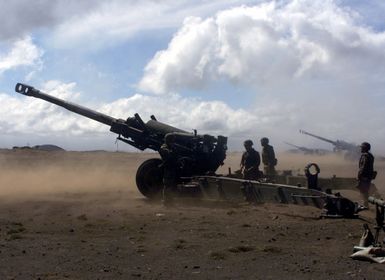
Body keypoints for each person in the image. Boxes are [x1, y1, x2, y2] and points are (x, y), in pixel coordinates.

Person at [159, 133, 178, 206]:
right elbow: (167, 154)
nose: (173, 142)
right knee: (167, 185)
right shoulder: (164, 147)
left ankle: (170, 201)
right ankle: (166, 202)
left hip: (172, 168)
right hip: (168, 168)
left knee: (171, 185)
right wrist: (172, 151)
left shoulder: (171, 147)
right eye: (172, 140)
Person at [357, 142, 376, 208]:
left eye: (362, 147)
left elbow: (363, 167)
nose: (361, 149)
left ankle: (365, 204)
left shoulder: (365, 156)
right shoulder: (371, 156)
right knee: (365, 190)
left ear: (364, 148)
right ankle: (365, 204)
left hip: (364, 176)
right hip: (369, 176)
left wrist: (359, 175)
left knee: (363, 190)